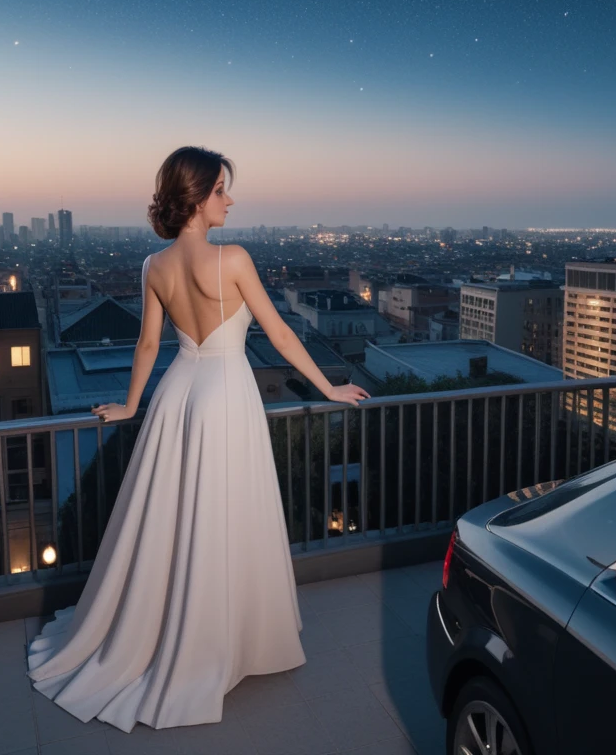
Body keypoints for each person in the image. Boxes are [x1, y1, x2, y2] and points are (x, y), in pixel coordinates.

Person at [27, 146, 370, 732]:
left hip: (176, 393)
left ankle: (164, 629)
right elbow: (282, 334)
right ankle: (221, 640)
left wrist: (132, 403)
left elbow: (146, 347)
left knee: (173, 514)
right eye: (220, 191)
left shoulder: (151, 266)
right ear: (196, 197)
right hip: (225, 391)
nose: (229, 200)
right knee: (222, 514)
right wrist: (328, 387)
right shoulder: (232, 259)